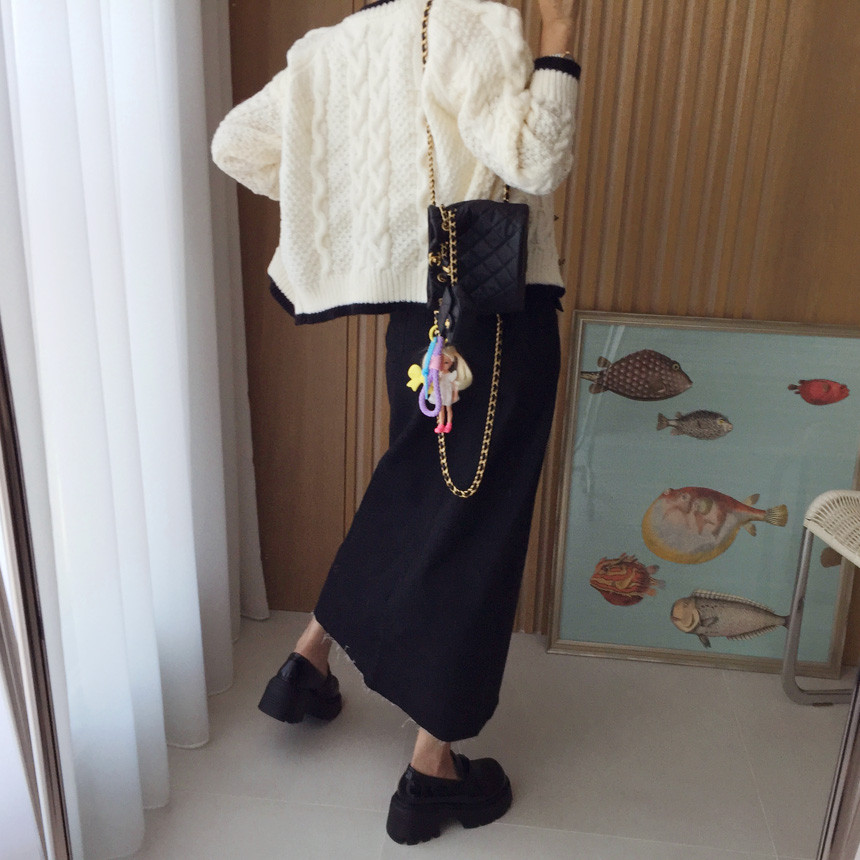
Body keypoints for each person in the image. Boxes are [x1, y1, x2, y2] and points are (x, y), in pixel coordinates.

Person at [212, 0, 580, 845]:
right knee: (473, 527)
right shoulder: (469, 23)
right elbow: (538, 158)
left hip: (420, 320)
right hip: (494, 314)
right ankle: (430, 772)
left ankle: (306, 662)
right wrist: (560, 37)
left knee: (413, 492)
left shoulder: (337, 44)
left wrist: (365, 212)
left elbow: (238, 144)